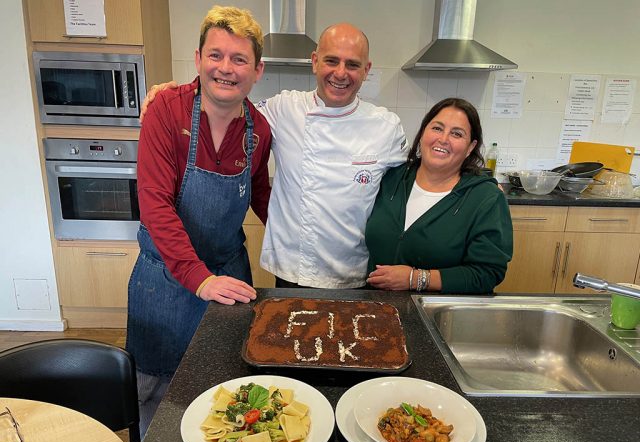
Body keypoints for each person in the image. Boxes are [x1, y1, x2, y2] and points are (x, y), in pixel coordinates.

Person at [141, 23, 408, 289]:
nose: (340, 73)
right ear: (315, 62)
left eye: (352, 64)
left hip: (356, 272)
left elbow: (404, 199)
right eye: (331, 61)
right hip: (293, 271)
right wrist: (173, 97)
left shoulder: (386, 127)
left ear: (366, 70)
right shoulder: (283, 109)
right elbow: (227, 104)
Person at [126, 5, 271, 436]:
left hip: (227, 278)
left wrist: (310, 246)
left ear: (257, 70)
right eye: (216, 55)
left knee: (224, 388)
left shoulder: (259, 129)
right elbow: (155, 205)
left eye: (239, 59)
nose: (226, 68)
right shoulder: (165, 112)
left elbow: (263, 197)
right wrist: (198, 278)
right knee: (154, 391)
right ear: (198, 59)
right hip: (165, 283)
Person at [365, 97, 513, 294]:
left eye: (457, 134)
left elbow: (487, 273)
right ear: (423, 131)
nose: (443, 139)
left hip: (439, 315)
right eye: (437, 128)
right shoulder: (390, 178)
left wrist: (415, 279)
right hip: (376, 308)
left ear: (470, 147)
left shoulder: (485, 198)